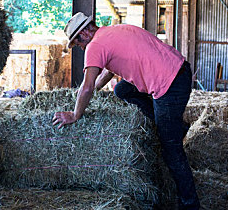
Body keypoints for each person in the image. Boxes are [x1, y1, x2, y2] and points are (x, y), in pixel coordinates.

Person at [52, 12, 200, 210]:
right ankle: (173, 125)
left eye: (78, 43)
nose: (80, 48)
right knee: (122, 89)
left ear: (85, 33)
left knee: (171, 149)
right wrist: (96, 89)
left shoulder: (94, 46)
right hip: (180, 69)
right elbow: (108, 71)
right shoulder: (116, 31)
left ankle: (190, 204)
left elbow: (85, 87)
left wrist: (75, 114)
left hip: (169, 85)